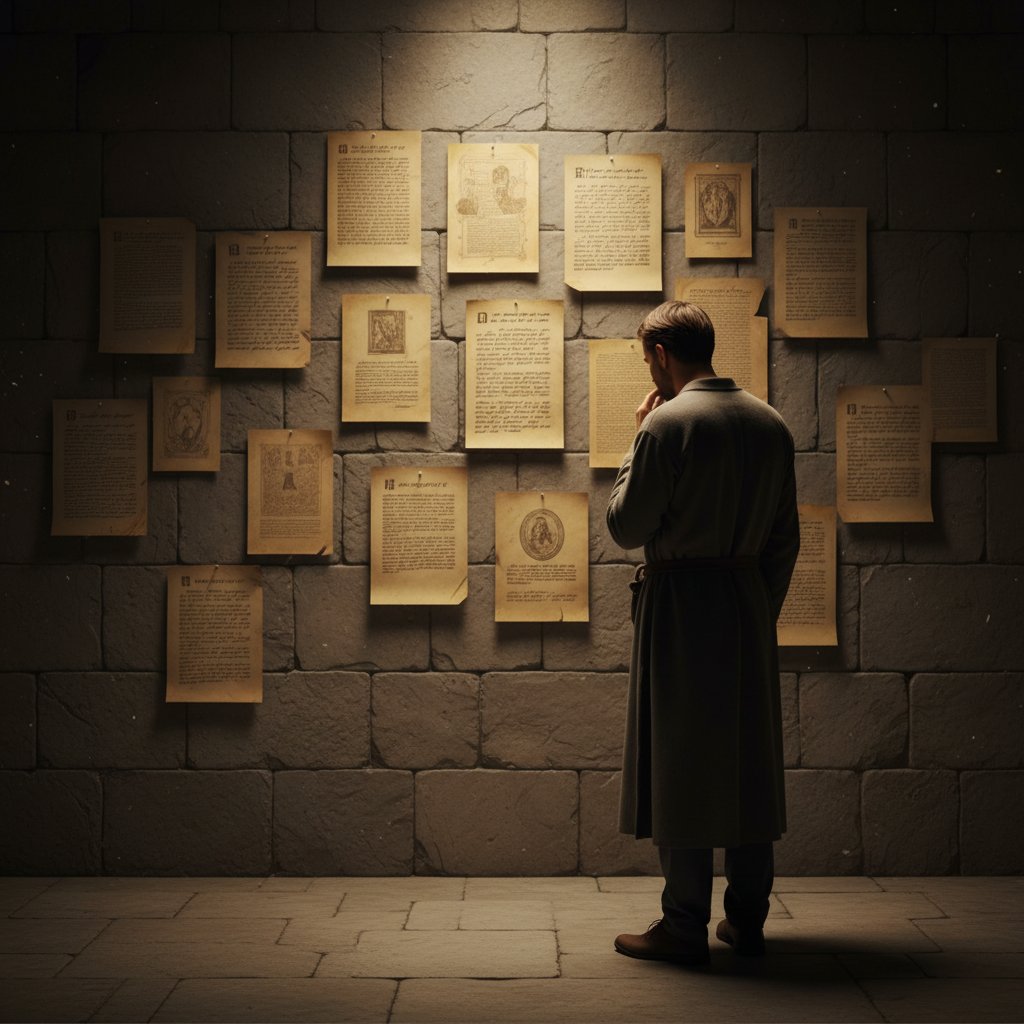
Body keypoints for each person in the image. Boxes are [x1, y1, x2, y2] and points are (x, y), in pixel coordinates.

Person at [606, 301, 800, 968]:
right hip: (745, 602)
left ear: (661, 355)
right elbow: (785, 541)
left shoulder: (665, 424)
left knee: (680, 760)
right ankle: (746, 921)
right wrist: (752, 608)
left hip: (682, 604)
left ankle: (684, 923)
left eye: (647, 360)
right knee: (747, 761)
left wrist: (637, 439)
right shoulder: (770, 424)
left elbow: (627, 526)